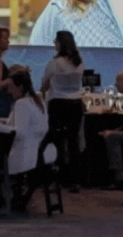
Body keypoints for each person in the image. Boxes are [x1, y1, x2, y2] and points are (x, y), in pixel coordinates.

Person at [0, 70, 56, 211]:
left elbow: (18, 132)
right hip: (41, 151)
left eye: (11, 87)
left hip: (24, 154)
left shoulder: (22, 104)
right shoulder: (38, 101)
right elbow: (19, 124)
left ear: (20, 87)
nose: (8, 91)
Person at [40, 30, 85, 192]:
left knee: (57, 140)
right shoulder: (79, 62)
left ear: (60, 43)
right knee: (73, 142)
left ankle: (59, 177)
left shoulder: (55, 62)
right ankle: (75, 180)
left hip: (58, 103)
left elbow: (44, 84)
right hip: (76, 103)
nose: (54, 43)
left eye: (56, 41)